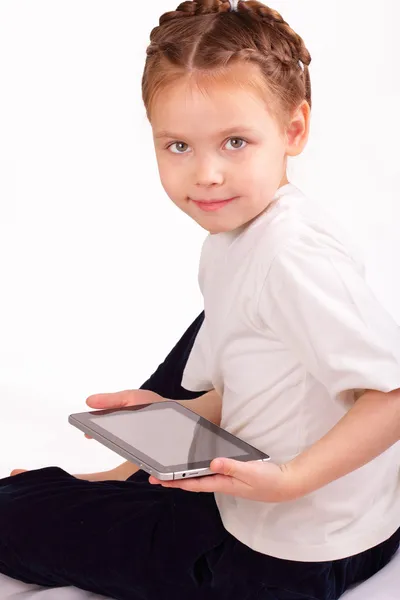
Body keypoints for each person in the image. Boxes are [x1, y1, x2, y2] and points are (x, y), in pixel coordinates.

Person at [1, 1, 400, 598]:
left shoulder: (291, 256)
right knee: (217, 320)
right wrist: (166, 423)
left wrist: (289, 481)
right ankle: (127, 475)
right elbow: (242, 378)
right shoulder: (244, 238)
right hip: (346, 520)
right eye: (178, 146)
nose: (206, 174)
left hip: (283, 556)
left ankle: (119, 490)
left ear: (294, 130)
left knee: (9, 513)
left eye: (235, 141)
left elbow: (392, 395)